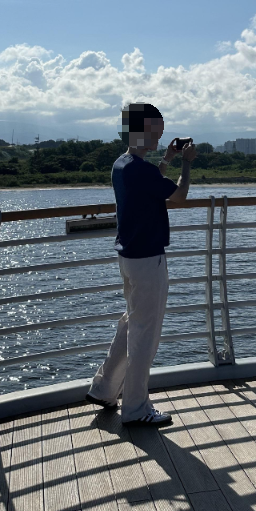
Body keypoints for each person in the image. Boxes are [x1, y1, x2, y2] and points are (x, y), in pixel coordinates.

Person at [87, 102, 197, 425]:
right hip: (149, 260)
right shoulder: (141, 170)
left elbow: (152, 181)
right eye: (156, 131)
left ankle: (105, 388)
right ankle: (135, 408)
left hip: (128, 258)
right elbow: (179, 196)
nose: (159, 137)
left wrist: (169, 159)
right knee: (144, 336)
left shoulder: (122, 165)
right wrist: (187, 163)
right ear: (142, 131)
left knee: (131, 324)